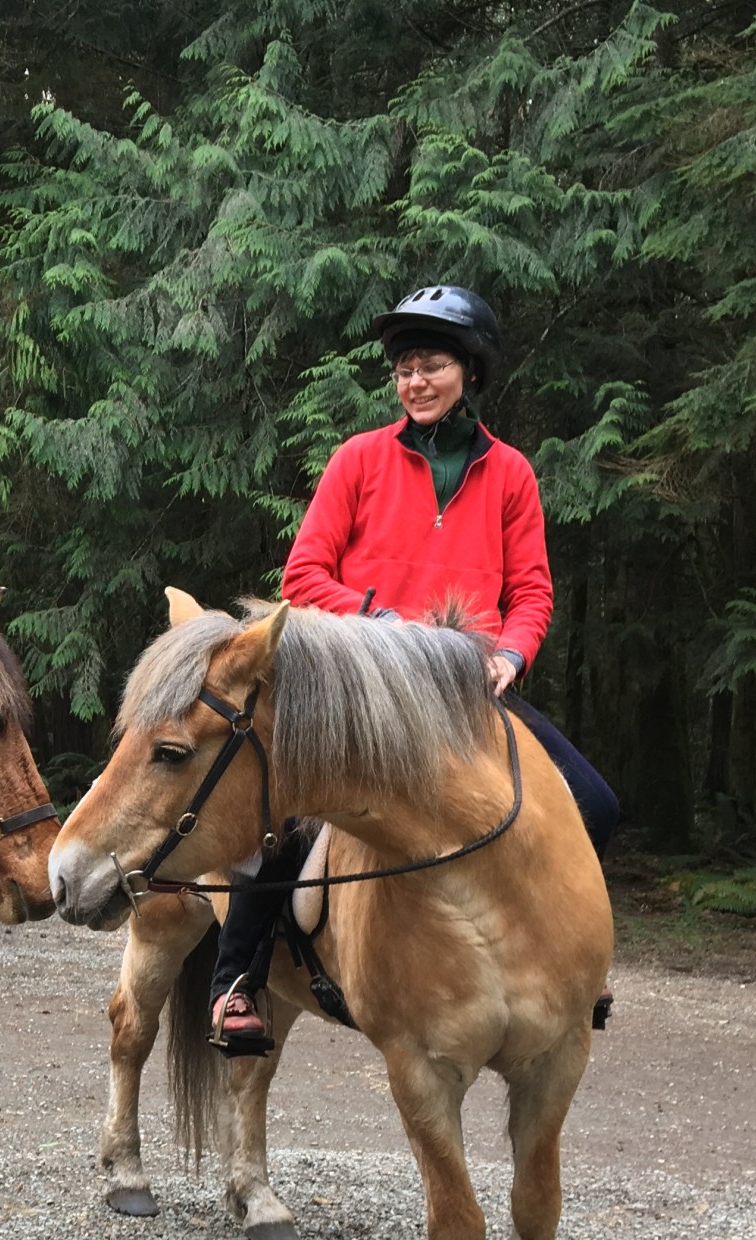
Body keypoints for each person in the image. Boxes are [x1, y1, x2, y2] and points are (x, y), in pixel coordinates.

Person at [208, 285, 619, 1055]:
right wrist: (386, 625)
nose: (415, 381)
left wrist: (511, 654)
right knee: (282, 816)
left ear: (471, 370)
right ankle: (236, 982)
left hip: (468, 690)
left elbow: (532, 592)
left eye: (430, 365)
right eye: (403, 369)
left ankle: (574, 955)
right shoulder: (359, 459)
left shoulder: (511, 474)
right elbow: (303, 577)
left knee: (595, 803)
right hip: (367, 688)